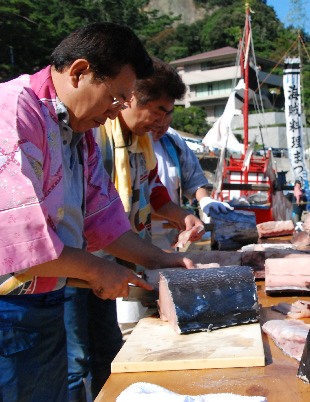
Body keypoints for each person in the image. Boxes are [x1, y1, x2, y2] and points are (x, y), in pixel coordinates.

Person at [0, 23, 194, 402]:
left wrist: (162, 260)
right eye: (117, 98)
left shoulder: (80, 132)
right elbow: (20, 242)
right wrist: (99, 269)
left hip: (46, 301)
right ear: (79, 72)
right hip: (9, 309)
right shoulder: (13, 113)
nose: (115, 112)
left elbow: (104, 220)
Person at [64, 57, 205, 401]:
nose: (162, 120)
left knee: (108, 349)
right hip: (75, 263)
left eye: (168, 112)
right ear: (130, 98)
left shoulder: (144, 146)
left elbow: (154, 192)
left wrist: (181, 215)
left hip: (115, 262)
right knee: (74, 357)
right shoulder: (94, 135)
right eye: (157, 110)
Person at [150, 103, 232, 250]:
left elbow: (192, 177)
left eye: (166, 124)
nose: (161, 130)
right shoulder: (125, 143)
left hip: (168, 237)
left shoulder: (171, 138)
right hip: (129, 236)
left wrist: (205, 199)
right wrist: (179, 216)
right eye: (155, 125)